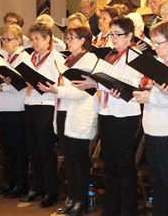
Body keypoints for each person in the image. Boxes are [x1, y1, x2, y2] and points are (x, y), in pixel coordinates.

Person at [73, 17, 142, 216]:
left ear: (130, 36)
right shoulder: (110, 56)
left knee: (124, 166)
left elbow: (131, 82)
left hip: (124, 115)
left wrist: (96, 84)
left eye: (117, 34)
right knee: (110, 166)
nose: (112, 38)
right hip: (107, 113)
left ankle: (128, 210)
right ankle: (111, 209)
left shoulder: (134, 55)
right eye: (110, 33)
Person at [39, 26, 99, 216]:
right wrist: (56, 89)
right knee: (70, 159)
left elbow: (84, 91)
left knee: (79, 160)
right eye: (67, 38)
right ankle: (71, 198)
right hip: (64, 110)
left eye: (72, 38)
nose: (68, 41)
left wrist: (57, 90)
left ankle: (81, 201)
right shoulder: (68, 59)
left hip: (80, 113)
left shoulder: (89, 59)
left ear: (83, 40)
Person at [132, 21, 168, 216]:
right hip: (151, 128)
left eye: (158, 43)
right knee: (157, 182)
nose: (154, 47)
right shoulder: (156, 61)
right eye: (153, 42)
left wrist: (152, 97)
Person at [20, 23, 65, 206]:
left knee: (46, 151)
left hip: (45, 106)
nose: (34, 42)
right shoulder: (32, 56)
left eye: (38, 39)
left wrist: (39, 83)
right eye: (32, 39)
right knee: (34, 150)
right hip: (30, 104)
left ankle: (51, 191)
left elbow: (60, 82)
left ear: (48, 39)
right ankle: (37, 187)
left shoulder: (56, 57)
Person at [0, 25, 29, 198]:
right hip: (3, 107)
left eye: (7, 39)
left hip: (17, 108)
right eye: (2, 39)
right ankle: (8, 181)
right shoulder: (2, 57)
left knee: (19, 148)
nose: (3, 42)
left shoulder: (24, 58)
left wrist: (0, 87)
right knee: (7, 147)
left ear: (18, 40)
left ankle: (20, 184)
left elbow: (22, 84)